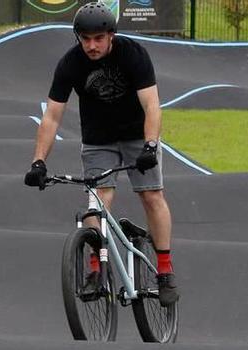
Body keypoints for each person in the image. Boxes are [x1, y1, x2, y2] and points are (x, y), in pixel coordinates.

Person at [24, 2, 179, 307]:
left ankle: (164, 269)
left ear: (111, 36)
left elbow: (152, 105)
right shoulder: (70, 63)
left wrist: (150, 145)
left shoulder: (133, 55)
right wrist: (38, 162)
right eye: (85, 39)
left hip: (137, 135)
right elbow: (52, 116)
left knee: (151, 196)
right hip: (98, 139)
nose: (91, 45)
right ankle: (96, 269)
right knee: (96, 204)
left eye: (98, 38)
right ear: (78, 37)